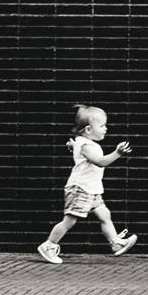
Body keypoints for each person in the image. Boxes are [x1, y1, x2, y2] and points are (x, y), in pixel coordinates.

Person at [37, 104, 137, 264]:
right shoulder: (86, 146)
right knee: (69, 221)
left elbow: (77, 147)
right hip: (80, 188)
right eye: (102, 126)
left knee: (104, 215)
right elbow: (101, 162)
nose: (106, 129)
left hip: (91, 188)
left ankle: (115, 243)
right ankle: (49, 245)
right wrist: (117, 153)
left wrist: (73, 146)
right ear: (89, 129)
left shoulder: (83, 143)